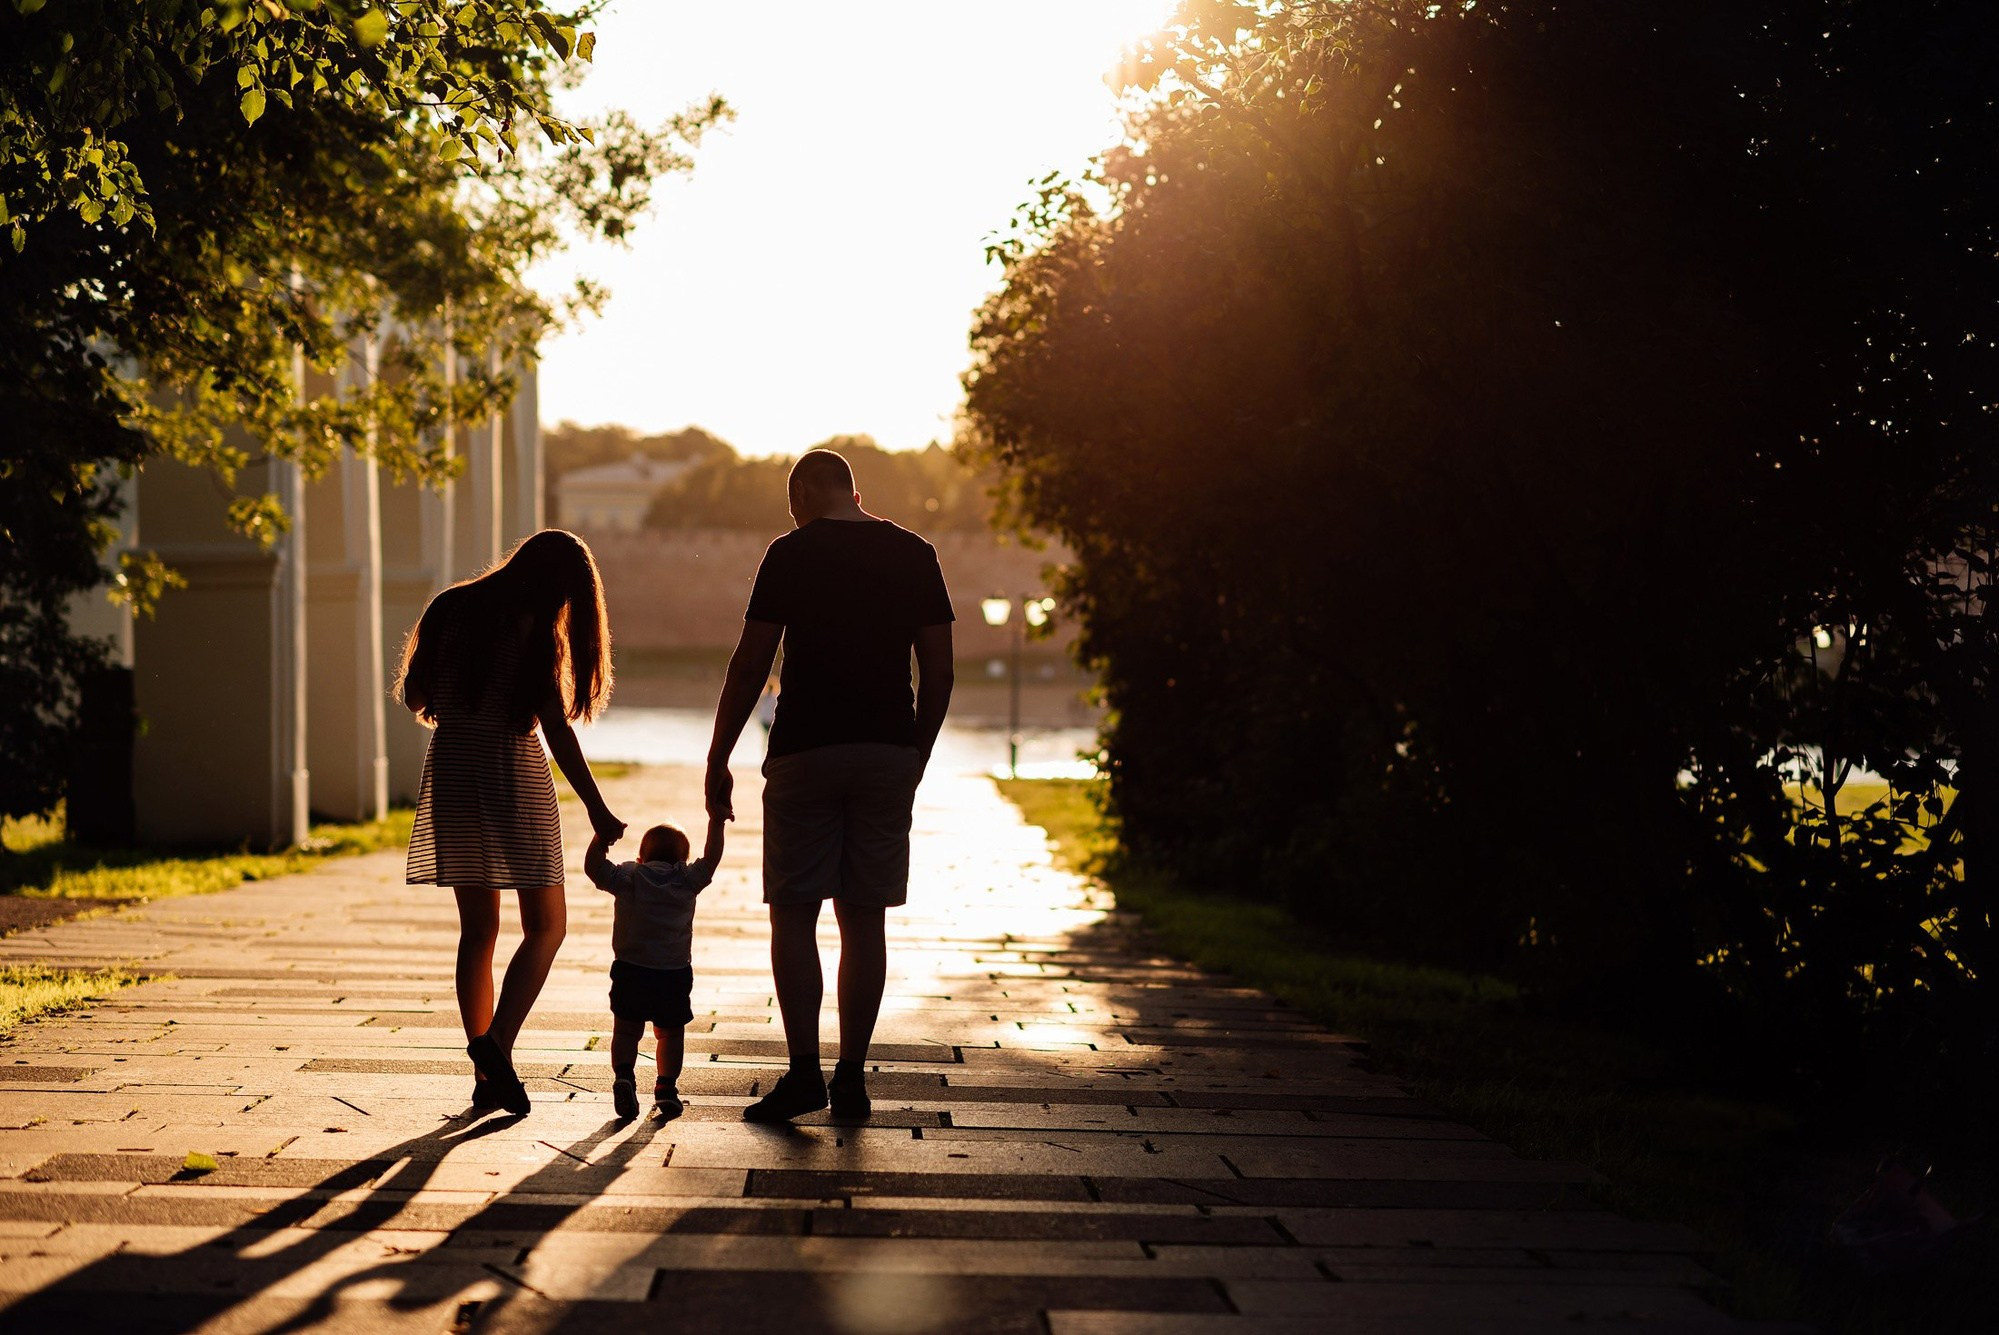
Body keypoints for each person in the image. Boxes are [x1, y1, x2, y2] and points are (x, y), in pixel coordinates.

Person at [705, 448, 954, 1123]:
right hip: (884, 751)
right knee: (863, 915)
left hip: (804, 751)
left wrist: (718, 754)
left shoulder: (791, 553)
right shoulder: (914, 552)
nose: (794, 515)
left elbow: (750, 660)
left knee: (794, 911)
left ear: (808, 489)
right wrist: (914, 753)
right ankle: (850, 1077)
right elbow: (938, 668)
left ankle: (803, 1074)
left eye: (794, 504)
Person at [397, 529, 625, 1117]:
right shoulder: (532, 628)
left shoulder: (449, 606)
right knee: (546, 926)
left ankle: (484, 1074)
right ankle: (497, 1044)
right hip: (509, 773)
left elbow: (414, 694)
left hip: (451, 770)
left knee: (479, 933)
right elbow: (556, 730)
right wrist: (598, 810)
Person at [584, 815, 723, 1121]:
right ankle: (666, 1087)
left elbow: (594, 869)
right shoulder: (687, 880)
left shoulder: (630, 876)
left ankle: (624, 1076)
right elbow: (712, 859)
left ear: (641, 856)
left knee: (626, 1029)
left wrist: (601, 839)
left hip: (630, 970)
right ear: (683, 859)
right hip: (673, 974)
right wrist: (716, 822)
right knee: (670, 1034)